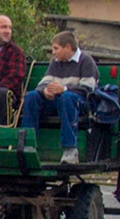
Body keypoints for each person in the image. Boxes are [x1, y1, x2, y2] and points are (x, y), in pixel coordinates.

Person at [18, 30, 99, 165]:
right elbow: (43, 84)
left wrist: (64, 89)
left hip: (79, 103)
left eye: (56, 48)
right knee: (32, 96)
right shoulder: (55, 62)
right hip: (58, 101)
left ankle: (70, 149)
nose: (53, 52)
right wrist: (45, 91)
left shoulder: (86, 61)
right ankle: (27, 144)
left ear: (67, 47)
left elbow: (88, 89)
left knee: (67, 98)